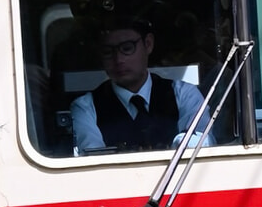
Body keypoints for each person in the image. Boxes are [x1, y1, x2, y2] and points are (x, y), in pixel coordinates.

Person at [71, 9, 206, 155]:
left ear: (148, 44)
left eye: (127, 48)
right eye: (108, 52)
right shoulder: (86, 108)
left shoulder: (183, 95)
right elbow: (94, 162)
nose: (119, 60)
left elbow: (200, 146)